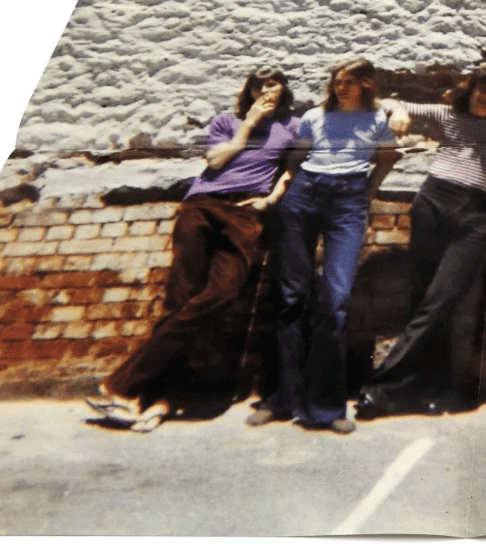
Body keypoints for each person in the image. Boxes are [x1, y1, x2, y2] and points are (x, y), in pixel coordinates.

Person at [85, 68, 300, 432]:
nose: (265, 90)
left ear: (283, 89)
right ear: (248, 91)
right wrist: (249, 123)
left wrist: (271, 200)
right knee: (180, 300)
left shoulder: (293, 127)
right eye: (258, 85)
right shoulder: (226, 122)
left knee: (221, 294)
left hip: (246, 213)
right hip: (202, 205)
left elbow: (293, 168)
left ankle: (122, 385)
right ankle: (159, 400)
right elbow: (215, 161)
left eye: (272, 83)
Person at [358, 65, 486, 416]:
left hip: (473, 214)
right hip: (432, 203)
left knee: (442, 298)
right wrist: (398, 111)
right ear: (470, 89)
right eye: (482, 89)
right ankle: (425, 387)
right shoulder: (446, 115)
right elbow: (389, 103)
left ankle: (381, 385)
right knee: (423, 297)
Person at [246, 59, 399, 435]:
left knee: (335, 299)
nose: (340, 88)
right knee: (292, 296)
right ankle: (281, 397)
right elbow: (294, 165)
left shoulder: (377, 120)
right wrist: (275, 198)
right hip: (304, 197)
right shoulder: (314, 117)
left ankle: (326, 406)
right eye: (336, 82)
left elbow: (387, 158)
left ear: (365, 84)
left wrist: (367, 195)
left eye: (349, 82)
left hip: (348, 201)